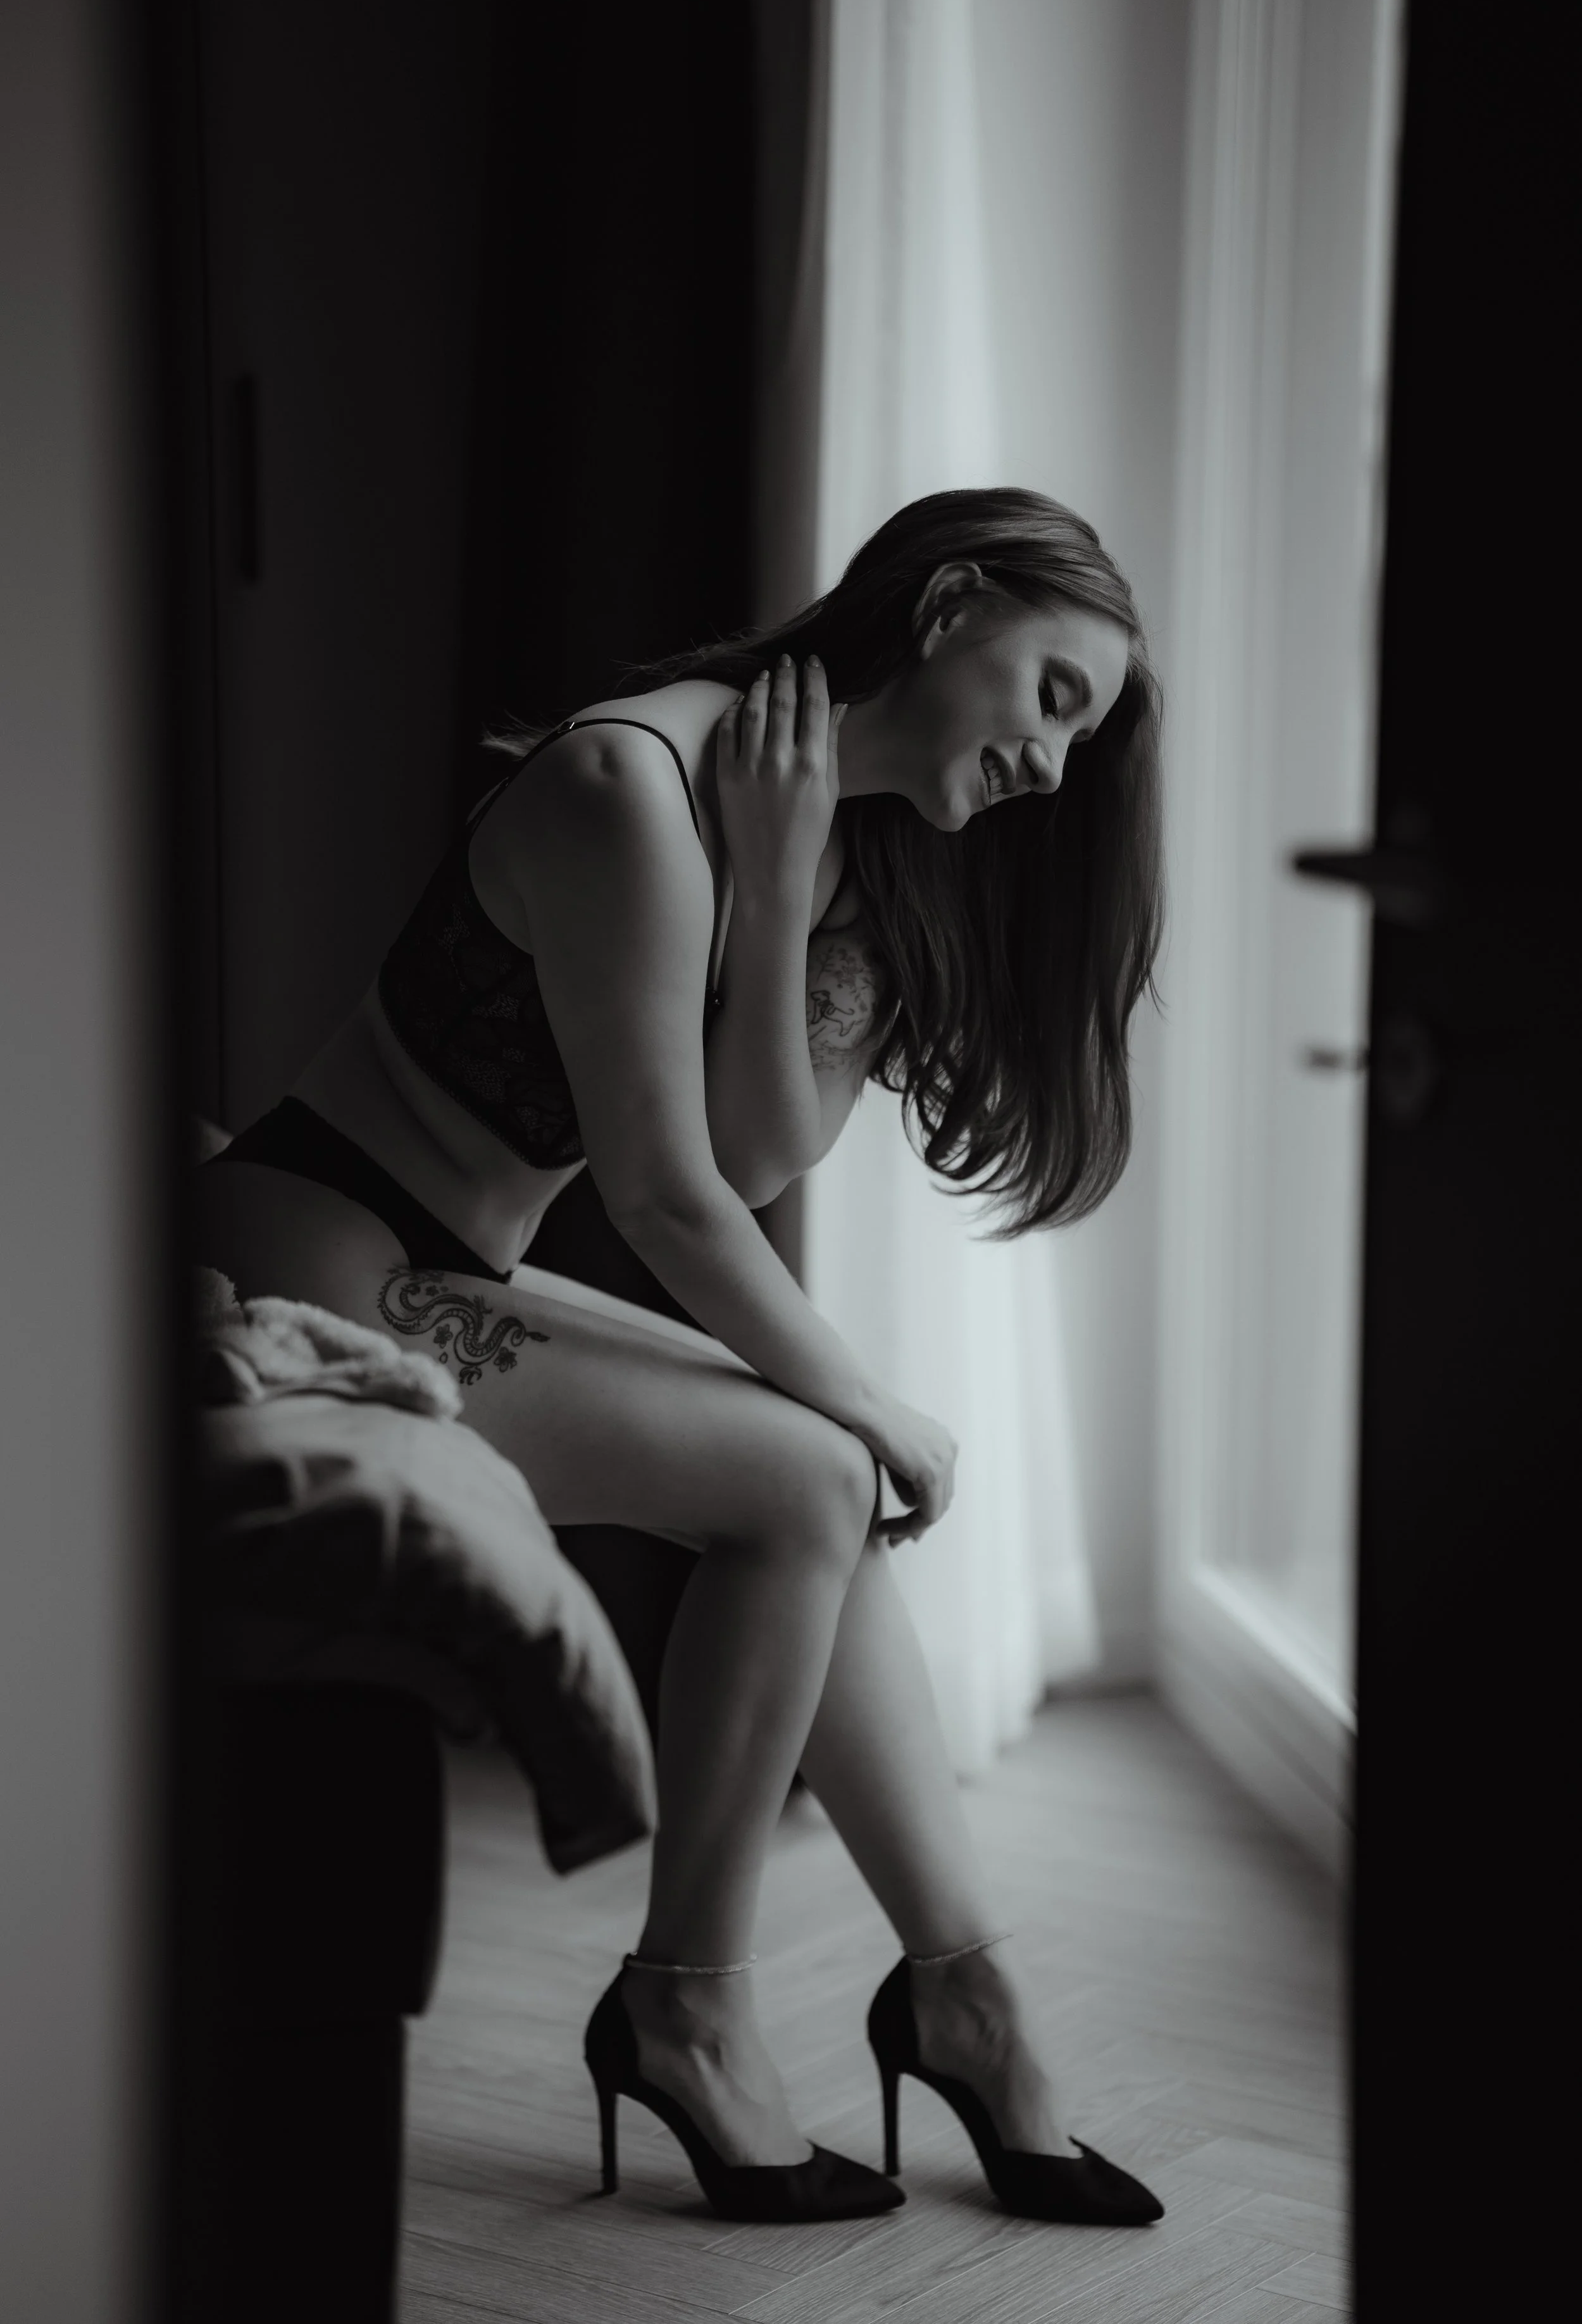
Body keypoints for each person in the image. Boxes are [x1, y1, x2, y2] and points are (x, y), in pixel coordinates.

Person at [196, 486, 1166, 2227]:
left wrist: (791, 876)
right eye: (1054, 699)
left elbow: (756, 1163)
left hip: (443, 1260)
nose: (1051, 766)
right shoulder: (621, 787)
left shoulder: (846, 839)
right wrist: (865, 1393)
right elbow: (659, 1195)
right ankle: (698, 2008)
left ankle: (960, 1987)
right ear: (947, 608)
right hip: (311, 1250)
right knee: (820, 1459)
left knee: (824, 1482)